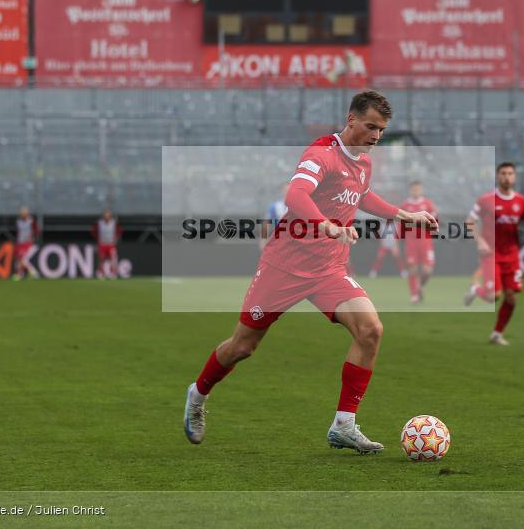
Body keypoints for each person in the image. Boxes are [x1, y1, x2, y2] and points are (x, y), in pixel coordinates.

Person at [183, 90, 437, 453]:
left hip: (328, 269)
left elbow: (363, 196)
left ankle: (344, 425)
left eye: (381, 130)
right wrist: (326, 225)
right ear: (351, 120)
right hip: (284, 267)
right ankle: (198, 394)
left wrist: (406, 215)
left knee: (370, 331)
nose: (377, 136)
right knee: (243, 346)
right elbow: (296, 195)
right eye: (371, 127)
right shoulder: (322, 154)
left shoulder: (363, 161)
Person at [463, 163, 524, 345]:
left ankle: (497, 334)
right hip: (490, 254)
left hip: (512, 255)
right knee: (494, 296)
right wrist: (479, 240)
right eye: (503, 173)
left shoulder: (521, 201)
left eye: (510, 173)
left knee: (511, 298)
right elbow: (469, 222)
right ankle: (475, 289)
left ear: (514, 177)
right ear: (497, 176)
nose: (507, 177)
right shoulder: (485, 200)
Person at [399, 181, 438, 303]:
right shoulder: (405, 205)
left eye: (418, 189)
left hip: (426, 241)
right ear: (410, 190)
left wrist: (433, 225)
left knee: (428, 271)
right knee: (413, 269)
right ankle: (414, 295)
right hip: (411, 243)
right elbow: (400, 221)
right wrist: (399, 237)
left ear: (421, 190)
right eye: (414, 189)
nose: (416, 191)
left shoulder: (427, 204)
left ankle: (419, 286)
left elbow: (435, 216)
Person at [92, 209, 122, 279]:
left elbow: (119, 231)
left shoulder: (114, 223)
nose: (107, 217)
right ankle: (100, 272)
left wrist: (116, 239)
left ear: (110, 216)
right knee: (101, 259)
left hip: (111, 244)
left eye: (108, 215)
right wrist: (98, 239)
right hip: (102, 244)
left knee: (113, 259)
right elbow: (94, 232)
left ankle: (113, 273)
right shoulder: (100, 223)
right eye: (106, 215)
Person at [259, 186, 290, 250]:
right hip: (279, 240)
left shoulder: (299, 205)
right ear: (282, 191)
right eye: (285, 189)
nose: (287, 191)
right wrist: (263, 240)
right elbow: (265, 224)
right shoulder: (276, 206)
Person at [13, 206, 38, 280]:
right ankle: (20, 274)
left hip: (27, 243)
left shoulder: (31, 221)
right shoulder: (18, 222)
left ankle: (33, 273)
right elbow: (18, 232)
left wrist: (33, 237)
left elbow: (36, 230)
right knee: (18, 260)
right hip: (20, 243)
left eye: (25, 213)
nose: (23, 215)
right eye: (22, 213)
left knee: (23, 260)